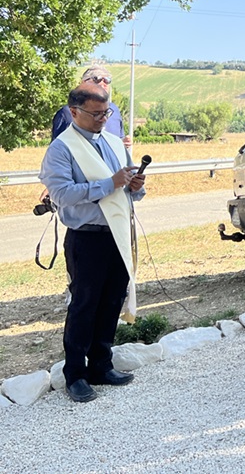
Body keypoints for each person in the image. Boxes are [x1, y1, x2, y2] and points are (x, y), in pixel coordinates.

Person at [39, 84, 146, 403]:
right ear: (74, 112)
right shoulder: (61, 149)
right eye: (96, 113)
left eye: (106, 113)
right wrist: (109, 184)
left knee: (112, 300)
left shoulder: (113, 142)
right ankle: (75, 375)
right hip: (86, 238)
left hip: (117, 235)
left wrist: (136, 186)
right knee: (84, 305)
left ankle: (101, 364)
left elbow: (130, 190)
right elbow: (62, 195)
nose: (103, 119)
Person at [52, 65, 131, 150]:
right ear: (84, 83)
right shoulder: (67, 113)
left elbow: (119, 139)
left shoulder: (114, 110)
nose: (103, 84)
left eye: (107, 80)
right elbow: (58, 148)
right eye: (97, 79)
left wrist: (122, 144)